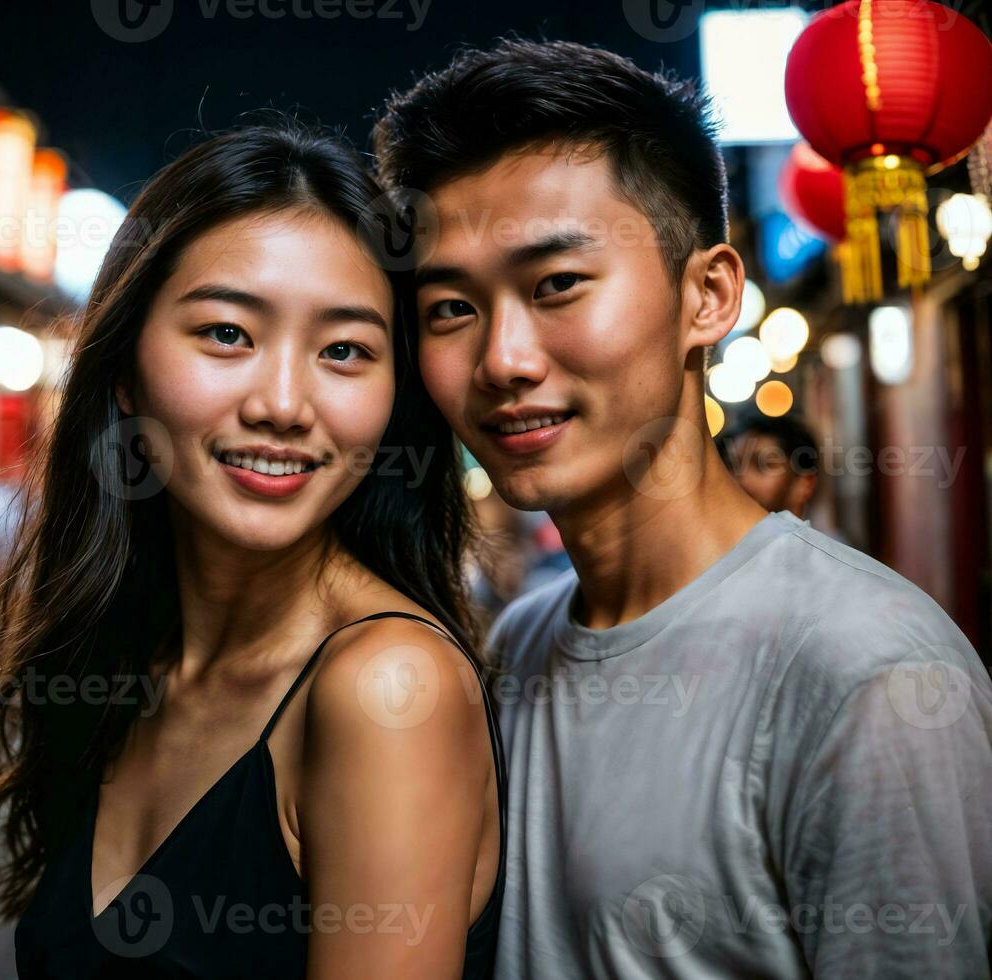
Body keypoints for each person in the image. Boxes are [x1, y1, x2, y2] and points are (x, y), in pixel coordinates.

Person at [375, 38, 992, 978]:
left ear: (707, 297)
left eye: (557, 286)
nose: (502, 359)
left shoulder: (867, 675)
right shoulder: (515, 649)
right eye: (451, 307)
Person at [0, 120, 505, 979]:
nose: (284, 403)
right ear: (127, 370)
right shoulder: (126, 658)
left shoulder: (387, 688)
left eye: (344, 350)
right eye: (226, 334)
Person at [721, 412, 819, 519]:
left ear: (805, 484)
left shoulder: (820, 536)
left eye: (763, 465)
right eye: (731, 465)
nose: (742, 479)